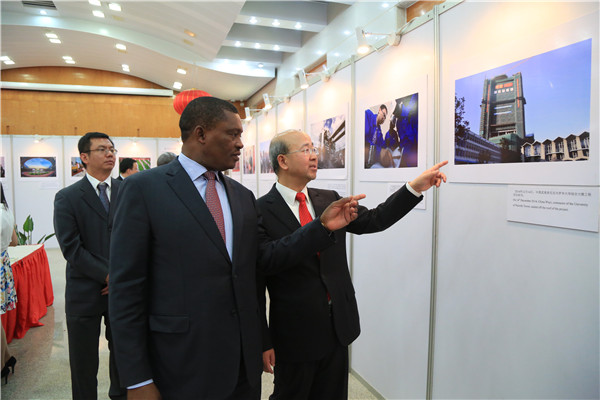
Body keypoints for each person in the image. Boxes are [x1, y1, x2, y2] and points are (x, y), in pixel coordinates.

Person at [108, 96, 364, 400]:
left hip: (242, 367)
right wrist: (137, 379)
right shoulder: (144, 189)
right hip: (180, 361)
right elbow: (127, 289)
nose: (241, 144)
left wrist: (260, 340)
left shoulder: (241, 196)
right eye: (233, 134)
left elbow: (253, 274)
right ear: (201, 134)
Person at [257, 129, 447, 400]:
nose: (315, 156)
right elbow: (267, 263)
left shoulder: (327, 198)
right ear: (283, 161)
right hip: (294, 333)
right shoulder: (260, 210)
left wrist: (413, 188)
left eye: (314, 148)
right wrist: (263, 341)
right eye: (306, 150)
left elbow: (375, 220)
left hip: (337, 327)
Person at [53, 132, 126, 400]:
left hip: (122, 293)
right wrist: (109, 276)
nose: (110, 154)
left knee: (123, 358)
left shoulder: (128, 191)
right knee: (83, 364)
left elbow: (140, 240)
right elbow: (71, 247)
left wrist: (120, 280)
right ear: (84, 157)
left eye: (111, 149)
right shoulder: (68, 197)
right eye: (102, 149)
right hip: (85, 292)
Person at [1, 183, 18, 384]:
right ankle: (6, 359)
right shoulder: (5, 210)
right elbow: (14, 241)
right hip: (3, 264)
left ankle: (3, 363)